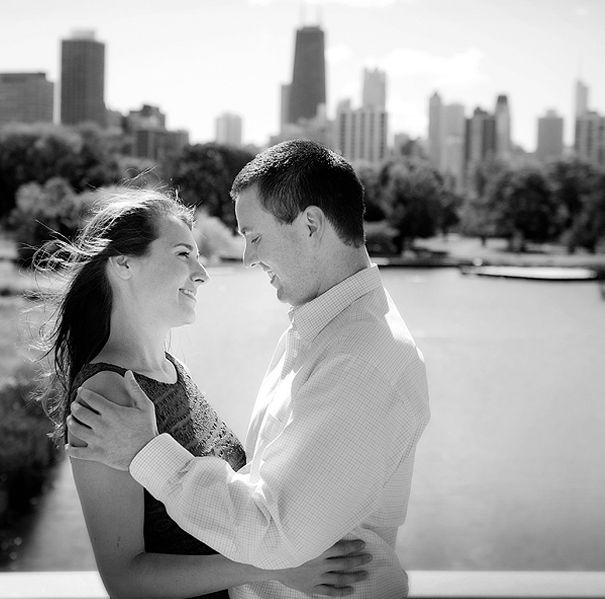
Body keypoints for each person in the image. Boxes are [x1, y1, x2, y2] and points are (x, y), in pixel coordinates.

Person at [68, 141, 431, 599]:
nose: (245, 258)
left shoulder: (357, 359)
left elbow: (279, 539)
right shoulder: (315, 332)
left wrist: (147, 452)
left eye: (254, 236)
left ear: (312, 225)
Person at [38, 188, 371, 599]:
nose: (202, 272)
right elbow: (125, 579)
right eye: (182, 254)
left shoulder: (171, 370)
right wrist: (274, 564)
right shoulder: (109, 392)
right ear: (123, 263)